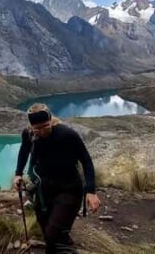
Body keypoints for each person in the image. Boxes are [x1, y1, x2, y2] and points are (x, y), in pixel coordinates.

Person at [13, 103, 101, 253]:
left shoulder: (67, 135)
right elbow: (24, 151)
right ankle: (64, 244)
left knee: (52, 234)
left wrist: (91, 191)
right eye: (37, 128)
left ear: (51, 120)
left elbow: (86, 160)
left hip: (69, 189)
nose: (42, 131)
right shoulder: (28, 134)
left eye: (45, 126)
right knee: (46, 229)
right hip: (44, 189)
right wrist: (18, 173)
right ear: (31, 126)